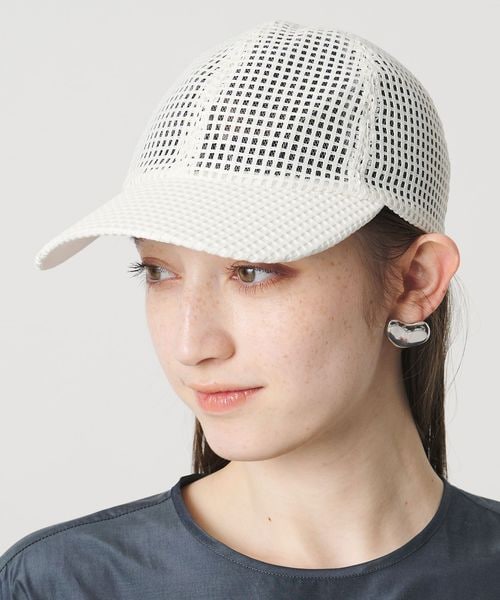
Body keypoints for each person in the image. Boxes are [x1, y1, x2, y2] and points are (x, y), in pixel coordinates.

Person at [1, 19, 499, 599]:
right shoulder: (61, 586)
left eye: (253, 271)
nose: (191, 346)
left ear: (415, 280)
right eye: (159, 272)